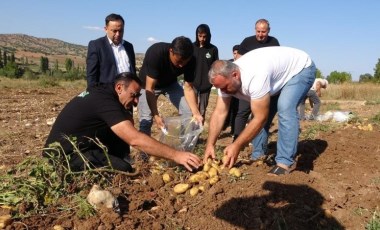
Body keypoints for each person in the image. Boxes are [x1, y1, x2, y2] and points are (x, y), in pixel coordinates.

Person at [43, 72, 202, 172]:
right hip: (63, 155)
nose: (135, 102)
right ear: (119, 87)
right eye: (133, 95)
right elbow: (134, 139)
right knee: (124, 169)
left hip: (78, 146)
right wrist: (176, 155)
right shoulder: (104, 101)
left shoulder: (105, 92)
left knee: (120, 147)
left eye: (138, 97)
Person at [203, 46, 316, 176]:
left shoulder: (255, 76)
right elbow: (219, 113)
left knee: (285, 107)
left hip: (300, 69)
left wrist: (237, 145)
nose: (223, 92)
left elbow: (260, 118)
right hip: (276, 77)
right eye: (220, 88)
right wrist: (210, 145)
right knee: (258, 114)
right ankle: (258, 156)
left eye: (225, 87)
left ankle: (284, 163)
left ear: (235, 75)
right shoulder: (224, 81)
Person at [138, 36, 203, 137]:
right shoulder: (156, 53)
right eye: (179, 61)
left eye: (184, 62)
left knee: (188, 111)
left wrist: (196, 112)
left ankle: (183, 143)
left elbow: (188, 88)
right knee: (146, 118)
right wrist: (156, 115)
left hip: (170, 84)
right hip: (147, 85)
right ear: (171, 51)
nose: (181, 66)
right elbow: (150, 88)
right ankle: (144, 150)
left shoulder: (191, 60)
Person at [233, 18, 280, 141]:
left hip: (264, 84)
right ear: (255, 30)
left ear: (268, 31)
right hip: (247, 83)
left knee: (258, 114)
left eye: (263, 32)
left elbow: (277, 63)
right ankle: (237, 138)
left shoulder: (274, 42)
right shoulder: (247, 42)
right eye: (258, 31)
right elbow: (238, 60)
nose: (260, 35)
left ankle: (254, 141)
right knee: (243, 112)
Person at [86, 13, 136, 87]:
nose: (118, 34)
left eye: (121, 31)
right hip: (107, 94)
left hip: (128, 93)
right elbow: (92, 76)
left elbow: (132, 70)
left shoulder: (129, 46)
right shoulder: (96, 45)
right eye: (114, 31)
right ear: (106, 29)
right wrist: (94, 95)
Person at [192, 24, 219, 123]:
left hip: (206, 85)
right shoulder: (192, 47)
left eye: (204, 36)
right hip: (193, 83)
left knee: (202, 111)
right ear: (196, 35)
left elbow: (215, 67)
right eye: (200, 36)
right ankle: (190, 135)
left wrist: (212, 81)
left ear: (208, 36)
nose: (202, 39)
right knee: (192, 110)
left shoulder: (213, 49)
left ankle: (197, 136)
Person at [222, 45, 240, 134]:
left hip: (238, 93)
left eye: (237, 53)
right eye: (234, 53)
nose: (235, 55)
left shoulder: (242, 64)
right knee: (227, 109)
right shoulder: (229, 63)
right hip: (229, 93)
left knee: (236, 111)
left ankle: (234, 129)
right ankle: (224, 125)